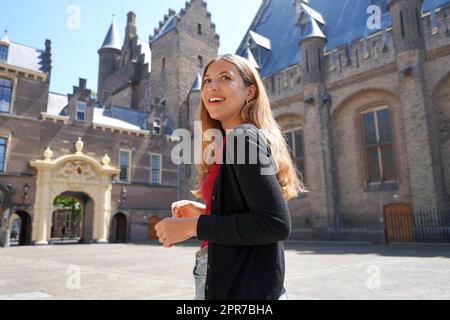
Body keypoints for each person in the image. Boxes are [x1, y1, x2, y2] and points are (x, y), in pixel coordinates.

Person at [154, 54, 307, 300]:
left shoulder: (242, 137)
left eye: (226, 78)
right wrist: (207, 211)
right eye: (207, 81)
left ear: (250, 92)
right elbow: (247, 213)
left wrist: (193, 227)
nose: (212, 86)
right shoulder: (228, 141)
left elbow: (274, 223)